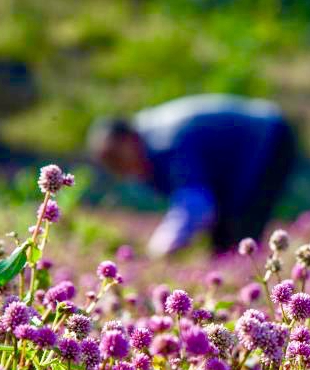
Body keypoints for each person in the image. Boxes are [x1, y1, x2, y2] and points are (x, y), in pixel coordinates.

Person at [88, 94, 297, 257]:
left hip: (268, 139)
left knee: (240, 229)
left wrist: (161, 248)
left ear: (128, 140)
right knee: (224, 234)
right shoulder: (147, 142)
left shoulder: (164, 144)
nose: (116, 168)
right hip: (247, 149)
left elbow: (196, 203)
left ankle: (246, 288)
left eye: (115, 157)